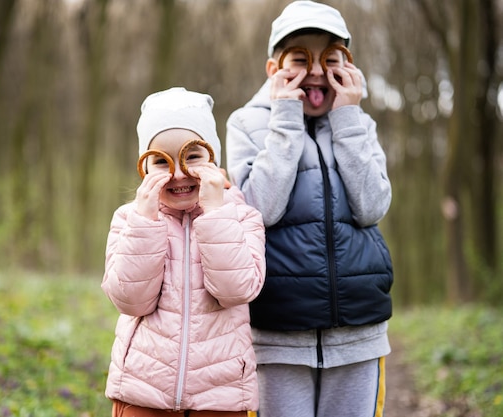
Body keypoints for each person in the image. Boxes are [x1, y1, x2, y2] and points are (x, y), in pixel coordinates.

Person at [225, 1, 393, 417]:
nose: (317, 71)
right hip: (279, 334)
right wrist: (285, 120)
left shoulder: (360, 123)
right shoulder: (246, 124)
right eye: (300, 59)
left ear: (348, 65)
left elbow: (372, 206)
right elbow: (259, 209)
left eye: (330, 59)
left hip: (358, 333)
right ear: (273, 69)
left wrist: (348, 119)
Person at [102, 87, 266, 417]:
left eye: (192, 156)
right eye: (160, 161)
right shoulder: (129, 219)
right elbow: (131, 301)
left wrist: (216, 214)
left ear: (213, 161)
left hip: (221, 393)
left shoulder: (241, 216)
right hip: (143, 389)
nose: (178, 173)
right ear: (143, 167)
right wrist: (146, 223)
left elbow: (237, 291)